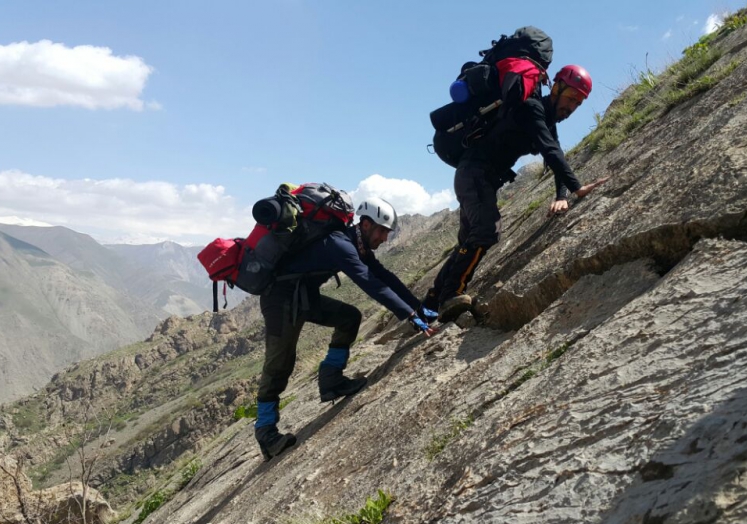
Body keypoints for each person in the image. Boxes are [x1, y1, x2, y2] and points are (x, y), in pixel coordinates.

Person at [254, 195, 438, 460]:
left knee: (349, 317)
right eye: (382, 231)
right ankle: (266, 431)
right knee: (279, 363)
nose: (384, 239)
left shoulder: (356, 244)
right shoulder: (339, 244)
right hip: (280, 299)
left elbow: (384, 276)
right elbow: (369, 282)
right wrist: (410, 316)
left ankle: (331, 381)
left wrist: (418, 309)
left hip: (302, 295)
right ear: (365, 224)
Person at [425, 64, 605, 322]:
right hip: (474, 174)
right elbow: (550, 152)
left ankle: (430, 304)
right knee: (486, 230)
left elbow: (555, 153)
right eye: (570, 97)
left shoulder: (546, 119)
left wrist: (561, 196)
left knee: (469, 240)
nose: (572, 106)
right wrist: (577, 188)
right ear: (556, 87)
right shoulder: (532, 108)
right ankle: (451, 294)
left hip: (477, 178)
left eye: (578, 102)